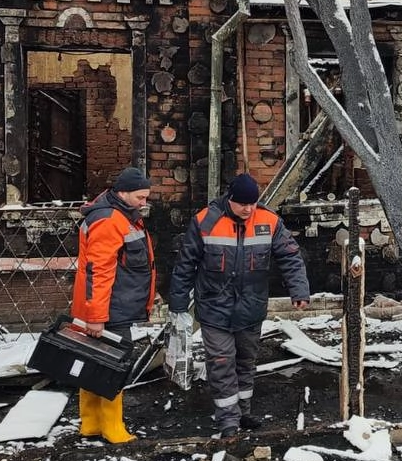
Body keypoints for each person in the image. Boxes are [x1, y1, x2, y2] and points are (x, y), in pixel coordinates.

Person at [169, 172, 310, 439]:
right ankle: (228, 421)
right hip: (214, 308)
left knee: (246, 362)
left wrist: (299, 290)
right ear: (229, 199)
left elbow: (291, 257)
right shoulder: (205, 222)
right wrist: (177, 304)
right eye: (242, 204)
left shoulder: (269, 222)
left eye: (253, 204)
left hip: (250, 308)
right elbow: (185, 265)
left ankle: (243, 411)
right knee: (222, 363)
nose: (248, 209)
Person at [70, 166, 156, 443]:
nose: (144, 203)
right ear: (123, 193)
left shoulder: (115, 214)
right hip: (109, 310)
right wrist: (97, 316)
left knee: (94, 362)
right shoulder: (110, 221)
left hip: (106, 307)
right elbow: (99, 271)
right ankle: (112, 428)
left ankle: (91, 424)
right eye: (140, 197)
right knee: (112, 366)